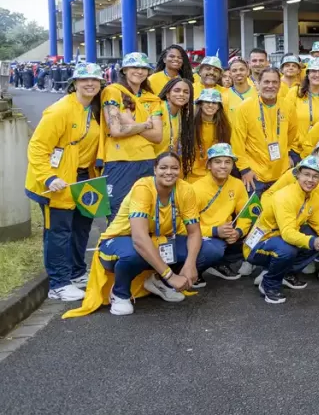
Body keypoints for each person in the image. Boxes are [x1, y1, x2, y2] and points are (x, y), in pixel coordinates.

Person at [65, 152, 202, 317]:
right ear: (154, 169)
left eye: (174, 168)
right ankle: (120, 293)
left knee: (206, 249)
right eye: (163, 168)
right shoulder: (143, 187)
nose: (169, 172)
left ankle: (157, 281)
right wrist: (170, 275)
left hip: (155, 238)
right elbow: (139, 238)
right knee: (135, 252)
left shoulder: (185, 189)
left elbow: (194, 232)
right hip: (120, 239)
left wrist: (190, 264)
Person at [24, 63, 104, 302]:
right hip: (58, 181)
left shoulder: (95, 108)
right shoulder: (59, 110)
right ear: (75, 83)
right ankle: (58, 283)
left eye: (94, 80)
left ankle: (77, 273)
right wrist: (49, 177)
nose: (90, 84)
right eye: (84, 79)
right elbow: (38, 147)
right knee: (59, 231)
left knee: (81, 228)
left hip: (86, 178)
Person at [243, 155, 319, 304]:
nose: (310, 180)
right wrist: (312, 242)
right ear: (297, 175)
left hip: (280, 238)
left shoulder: (313, 197)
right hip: (257, 244)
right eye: (306, 174)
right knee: (288, 249)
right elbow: (288, 233)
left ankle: (283, 273)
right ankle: (269, 283)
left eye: (315, 176)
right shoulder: (285, 196)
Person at [102, 52, 164, 218]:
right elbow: (116, 130)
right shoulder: (112, 91)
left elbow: (157, 136)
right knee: (117, 211)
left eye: (144, 68)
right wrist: (144, 125)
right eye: (134, 67)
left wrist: (130, 123)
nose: (140, 71)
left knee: (145, 210)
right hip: (119, 159)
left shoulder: (152, 99)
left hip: (147, 159)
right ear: (124, 70)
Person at [231, 68, 299, 195]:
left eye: (274, 82)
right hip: (254, 175)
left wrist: (291, 156)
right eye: (266, 82)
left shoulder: (288, 106)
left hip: (281, 172)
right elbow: (237, 142)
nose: (270, 86)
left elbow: (293, 134)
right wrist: (245, 169)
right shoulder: (245, 107)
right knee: (254, 208)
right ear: (258, 84)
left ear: (280, 84)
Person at [191, 143, 252, 284]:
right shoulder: (196, 189)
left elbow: (245, 213)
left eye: (228, 162)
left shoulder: (237, 184)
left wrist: (238, 231)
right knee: (213, 250)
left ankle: (218, 264)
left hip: (227, 231)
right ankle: (194, 271)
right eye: (217, 162)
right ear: (209, 165)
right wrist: (214, 231)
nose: (223, 166)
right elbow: (184, 226)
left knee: (254, 236)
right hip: (204, 234)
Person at [156, 78, 196, 177]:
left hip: (167, 166)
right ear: (167, 94)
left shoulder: (182, 115)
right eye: (177, 90)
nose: (181, 94)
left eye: (186, 92)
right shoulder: (157, 108)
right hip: (149, 163)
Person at [188, 89, 231, 181]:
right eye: (207, 102)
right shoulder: (189, 125)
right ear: (200, 104)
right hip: (191, 174)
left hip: (215, 174)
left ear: (219, 107)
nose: (210, 105)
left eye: (214, 102)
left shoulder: (224, 127)